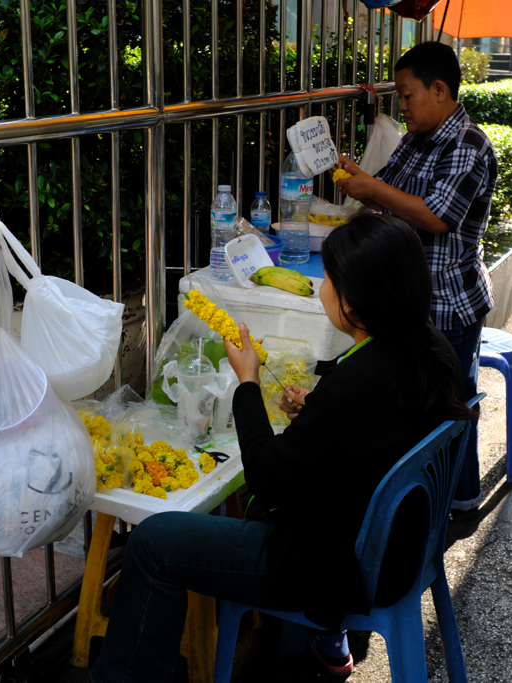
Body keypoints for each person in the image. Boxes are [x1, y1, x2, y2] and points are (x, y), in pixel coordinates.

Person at [90, 215, 473, 683]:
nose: (322, 289)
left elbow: (268, 480)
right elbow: (374, 429)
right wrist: (317, 412)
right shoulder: (431, 348)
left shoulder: (356, 384)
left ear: (354, 301)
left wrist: (246, 383)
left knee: (152, 543)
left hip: (337, 567)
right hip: (404, 548)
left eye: (329, 279)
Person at [333, 40, 497, 514]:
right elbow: (385, 193)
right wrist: (358, 179)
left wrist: (373, 187)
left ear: (439, 89)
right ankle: (413, 508)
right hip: (407, 298)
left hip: (448, 301)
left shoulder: (469, 143)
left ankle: (460, 501)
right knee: (411, 409)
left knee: (452, 407)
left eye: (407, 95)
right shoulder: (415, 140)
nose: (401, 106)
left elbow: (437, 216)